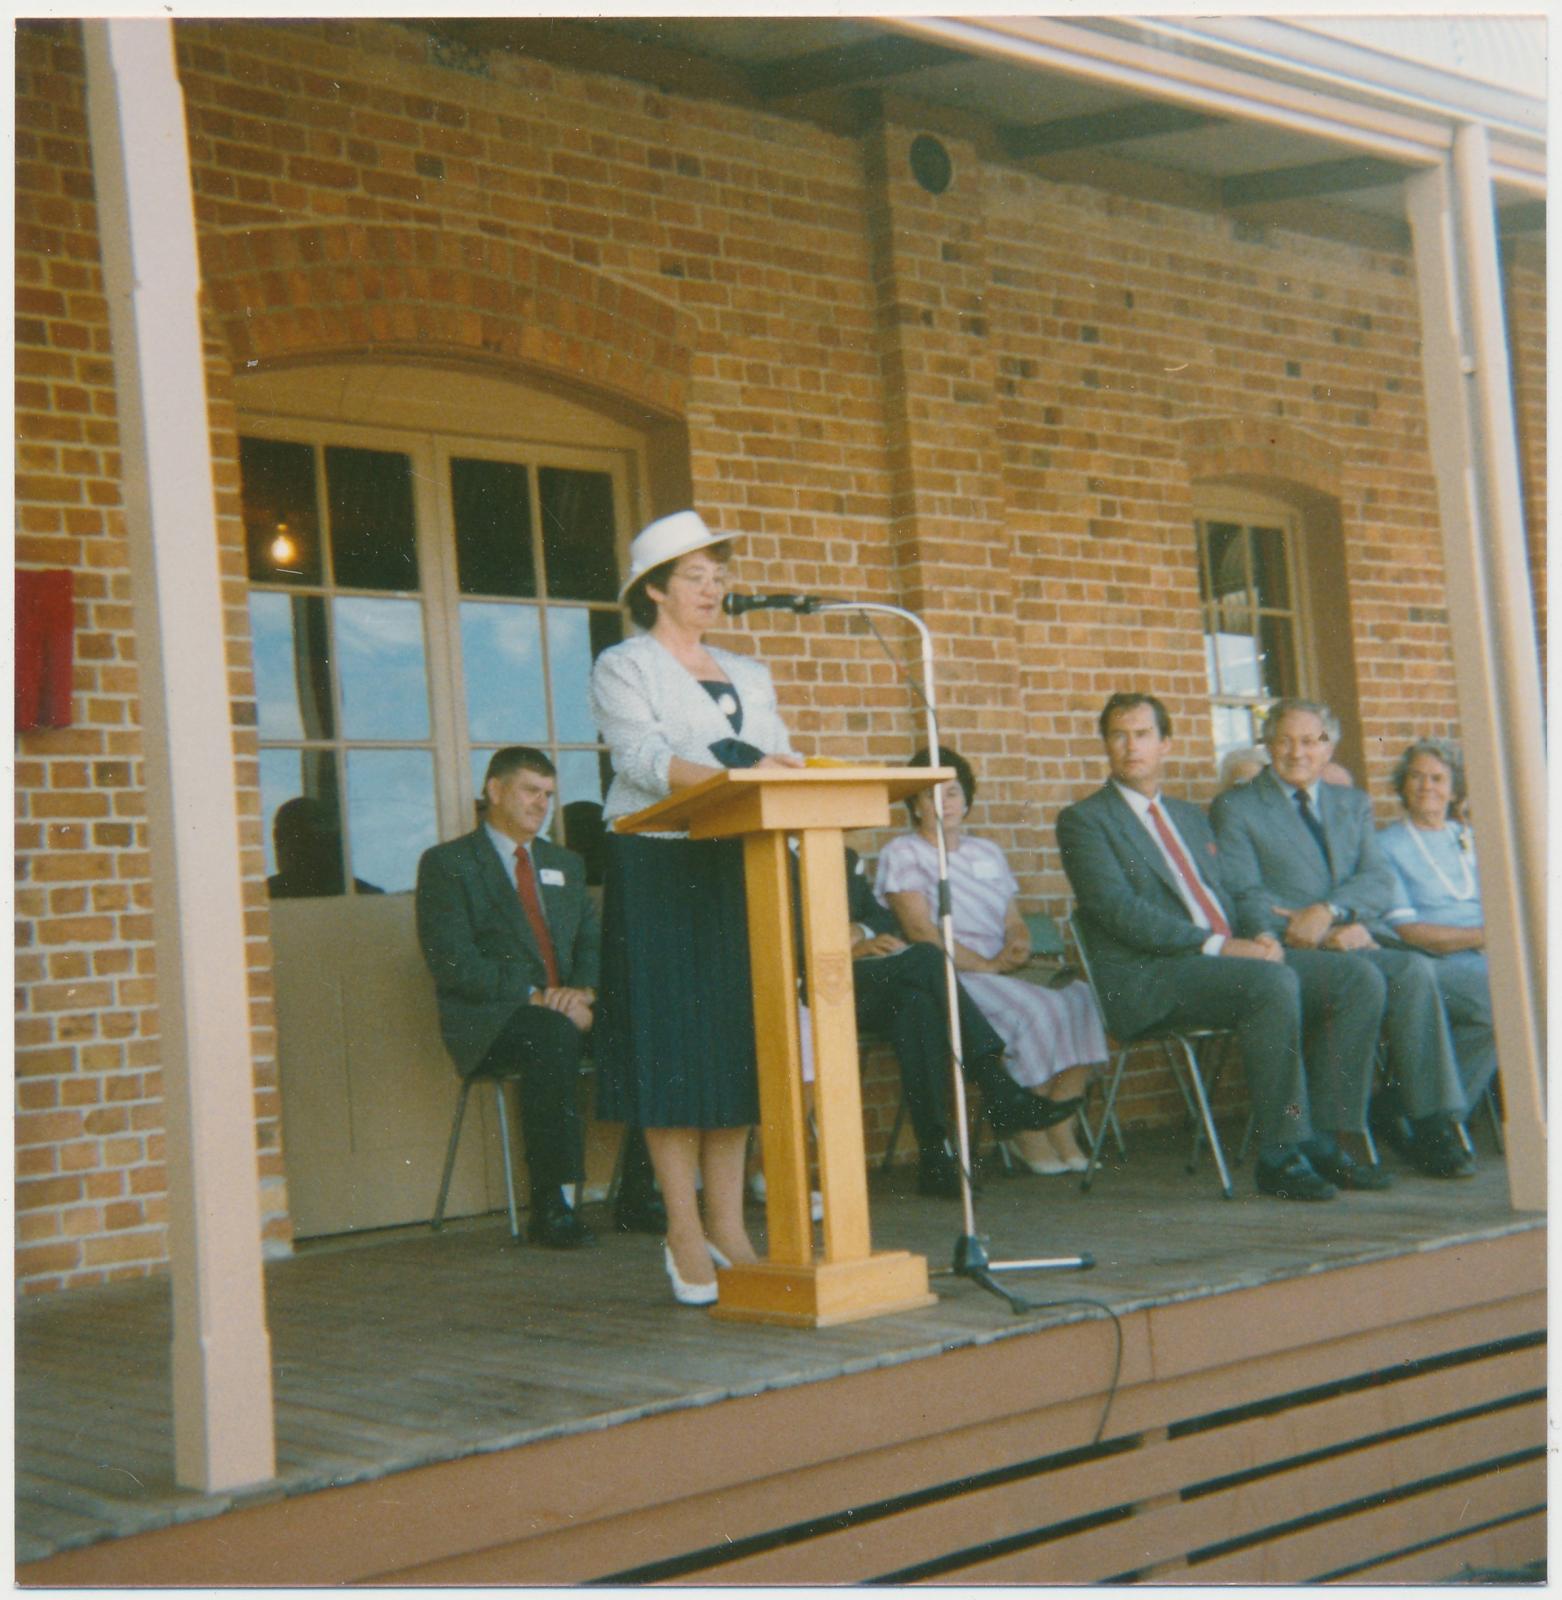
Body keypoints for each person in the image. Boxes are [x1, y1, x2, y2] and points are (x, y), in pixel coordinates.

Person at [589, 510, 805, 1306]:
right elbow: (642, 759)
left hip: (736, 859)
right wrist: (736, 777)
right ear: (654, 589)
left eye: (719, 575)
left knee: (734, 1044)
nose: (713, 588)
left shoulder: (749, 671)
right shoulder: (625, 665)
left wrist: (784, 769)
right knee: (673, 1049)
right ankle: (682, 1230)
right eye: (695, 576)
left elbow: (774, 749)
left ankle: (729, 1225)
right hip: (658, 863)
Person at [1058, 693, 1388, 1200]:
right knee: (1270, 984)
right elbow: (1120, 913)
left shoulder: (1190, 817)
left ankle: (1325, 1137)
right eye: (1118, 735)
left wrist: (1260, 935)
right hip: (1153, 975)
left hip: (1225, 960)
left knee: (1356, 979)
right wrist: (1219, 946)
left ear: (1165, 744)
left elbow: (1233, 890)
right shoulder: (1085, 821)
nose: (1131, 746)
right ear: (1105, 744)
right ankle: (1281, 1152)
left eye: (1143, 734)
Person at [1211, 698, 1473, 1179]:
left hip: (1346, 936)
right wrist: (1302, 930)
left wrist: (1333, 913)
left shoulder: (1351, 804)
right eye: (1285, 740)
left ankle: (1432, 1122)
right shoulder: (1239, 806)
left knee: (1413, 970)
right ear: (1267, 744)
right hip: (1286, 948)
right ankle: (1333, 1137)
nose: (1297, 752)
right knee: (1359, 979)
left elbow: (1377, 880)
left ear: (1328, 747)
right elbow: (1242, 892)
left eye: (1310, 741)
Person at [874, 746, 1106, 1173]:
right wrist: (987, 966)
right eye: (931, 795)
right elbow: (921, 932)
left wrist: (1017, 939)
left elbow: (1012, 917)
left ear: (967, 800)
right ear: (915, 805)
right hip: (953, 974)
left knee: (1084, 1001)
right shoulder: (903, 853)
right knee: (1036, 1011)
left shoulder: (987, 852)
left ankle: (1061, 1127)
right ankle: (1027, 1135)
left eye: (953, 793)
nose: (944, 803)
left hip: (1001, 969)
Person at [415, 747, 599, 1249]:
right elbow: (453, 962)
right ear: (494, 791)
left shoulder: (564, 863)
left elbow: (590, 940)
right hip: (494, 1019)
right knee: (551, 1035)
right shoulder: (449, 864)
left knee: (652, 1025)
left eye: (548, 795)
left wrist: (583, 993)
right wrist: (535, 997)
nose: (542, 804)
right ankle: (552, 1204)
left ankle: (640, 1193)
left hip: (566, 1009)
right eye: (529, 791)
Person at [825, 845, 1075, 1196]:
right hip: (814, 982)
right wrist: (842, 945)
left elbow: (881, 919)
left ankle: (936, 1159)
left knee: (918, 1007)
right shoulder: (771, 852)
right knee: (928, 956)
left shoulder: (843, 855)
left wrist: (861, 931)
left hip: (862, 984)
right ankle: (994, 1082)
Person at [1377, 738, 1496, 1116]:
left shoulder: (1471, 838)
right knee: (1501, 1006)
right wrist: (1487, 937)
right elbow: (1408, 931)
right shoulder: (1386, 845)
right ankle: (1436, 1118)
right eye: (1416, 777)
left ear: (1454, 788)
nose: (1426, 786)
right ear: (1402, 785)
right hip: (1433, 963)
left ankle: (1417, 1108)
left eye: (1437, 778)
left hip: (1489, 956)